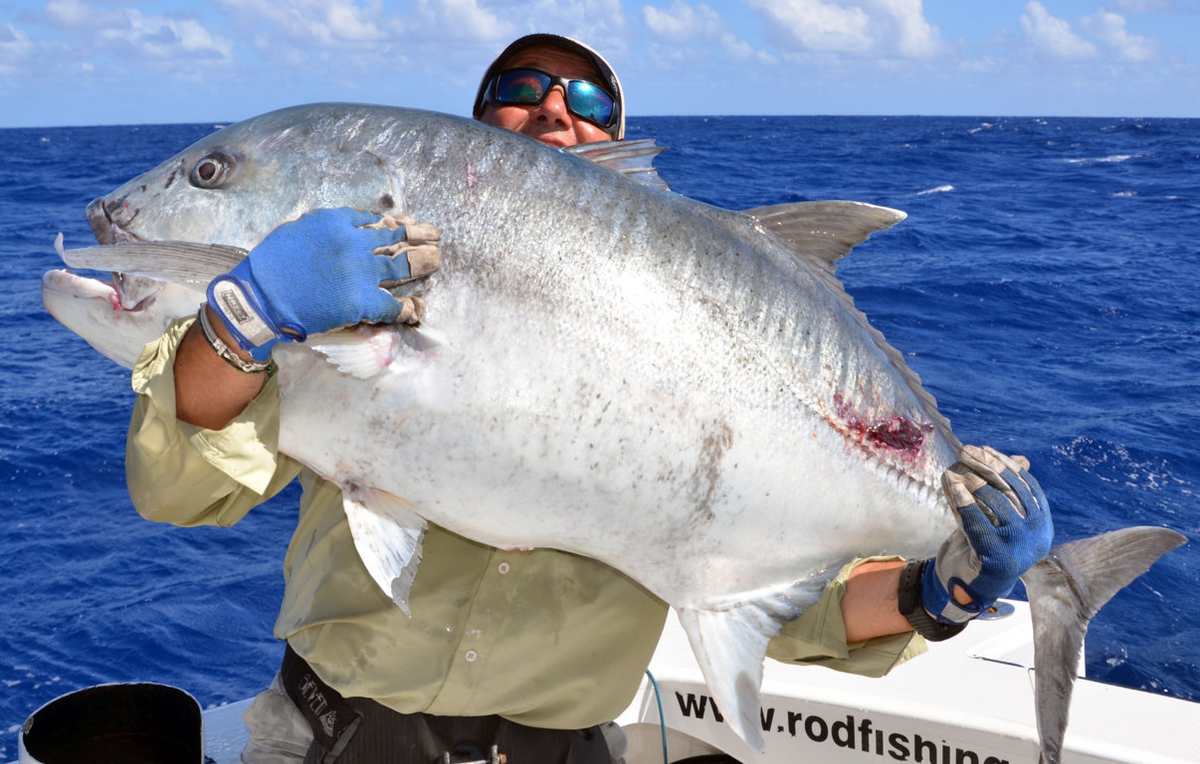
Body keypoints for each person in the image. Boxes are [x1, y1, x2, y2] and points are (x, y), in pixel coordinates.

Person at [125, 33, 1052, 764]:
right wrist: (244, 320)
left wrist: (948, 591)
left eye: (588, 99)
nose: (554, 110)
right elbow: (183, 492)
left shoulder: (680, 324)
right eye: (521, 90)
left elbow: (801, 606)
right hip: (332, 739)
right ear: (473, 127)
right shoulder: (312, 304)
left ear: (617, 141)